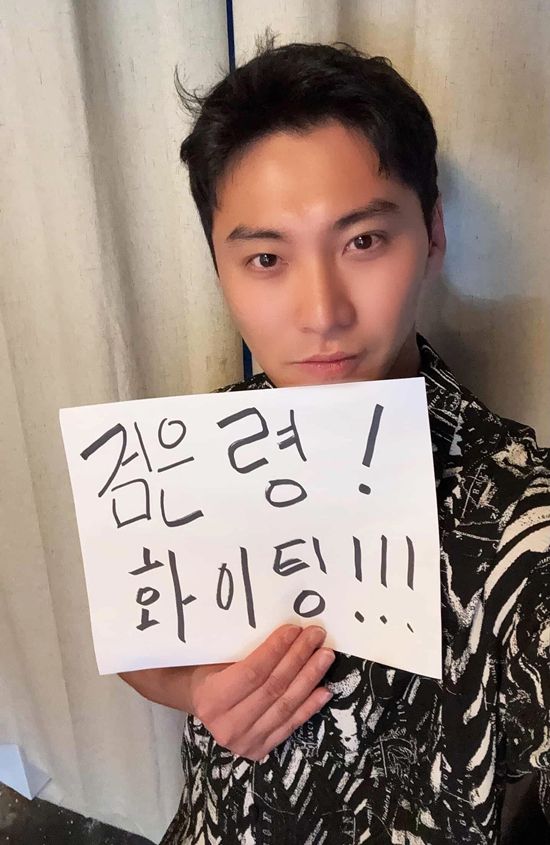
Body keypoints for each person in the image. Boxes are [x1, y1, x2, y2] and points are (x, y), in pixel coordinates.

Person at [120, 35, 550, 844]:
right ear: (219, 267)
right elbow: (138, 643)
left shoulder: (514, 515)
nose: (322, 312)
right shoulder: (190, 452)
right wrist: (198, 689)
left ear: (433, 234)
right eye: (266, 257)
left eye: (362, 241)